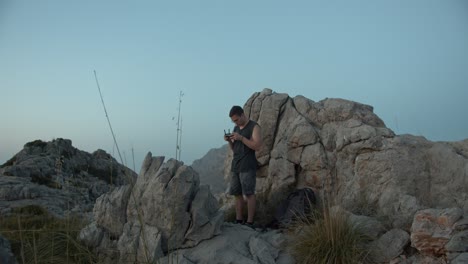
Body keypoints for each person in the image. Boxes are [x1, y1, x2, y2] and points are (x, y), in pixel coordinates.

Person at [224, 105, 263, 227]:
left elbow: (257, 146)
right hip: (236, 165)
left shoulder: (254, 127)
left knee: (249, 194)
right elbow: (234, 149)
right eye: (233, 121)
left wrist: (241, 138)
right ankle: (239, 220)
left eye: (236, 119)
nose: (234, 122)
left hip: (248, 165)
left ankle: (250, 222)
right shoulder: (236, 128)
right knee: (237, 193)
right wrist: (230, 141)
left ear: (242, 115)